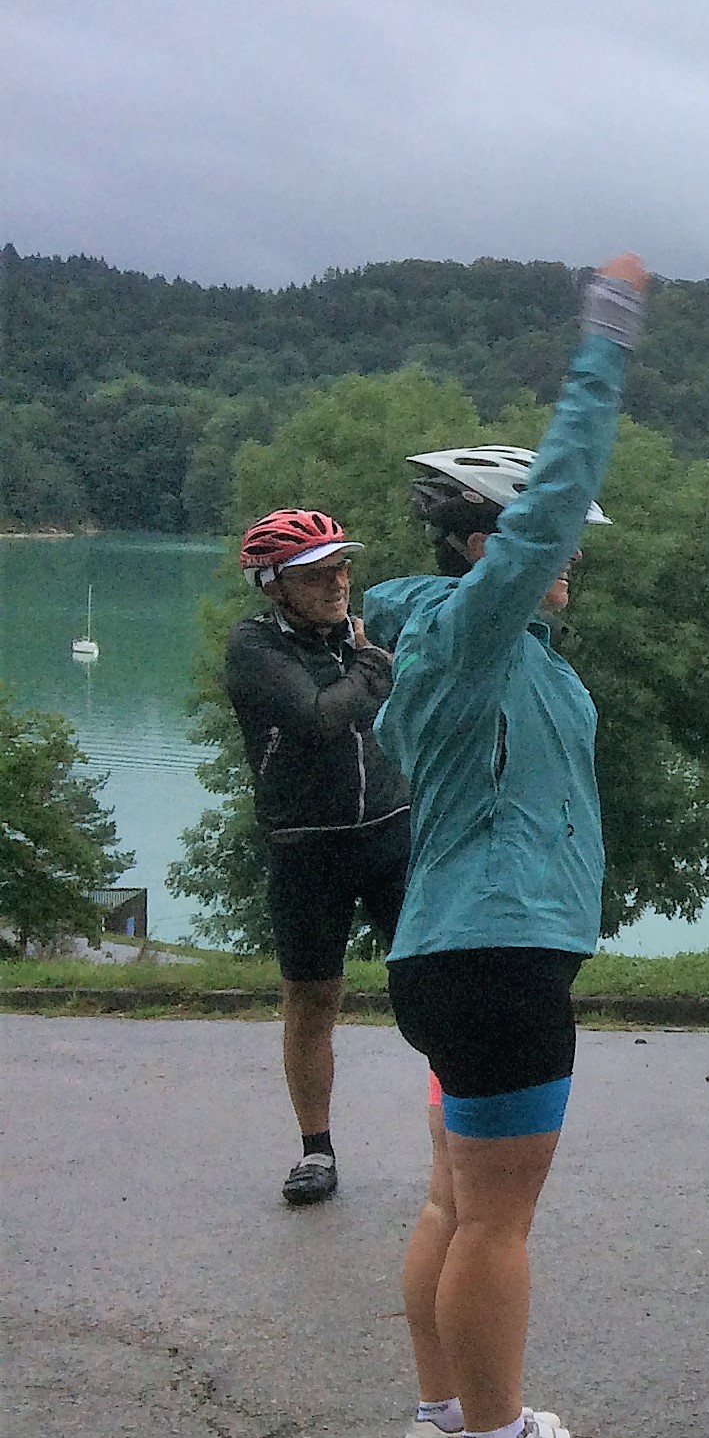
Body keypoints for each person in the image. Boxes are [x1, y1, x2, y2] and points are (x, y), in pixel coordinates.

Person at [365, 255, 650, 1438]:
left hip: (461, 951)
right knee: (496, 1220)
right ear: (492, 549)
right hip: (494, 956)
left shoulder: (493, 653)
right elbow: (550, 508)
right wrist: (608, 345)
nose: (568, 565)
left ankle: (445, 1418)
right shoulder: (470, 636)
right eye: (548, 548)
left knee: (453, 1198)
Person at [222, 507, 412, 1206]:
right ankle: (316, 1150)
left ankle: (463, 1135)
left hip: (391, 829)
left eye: (342, 566)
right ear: (275, 585)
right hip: (308, 847)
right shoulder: (254, 647)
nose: (338, 581)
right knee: (311, 997)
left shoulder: (363, 635)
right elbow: (317, 718)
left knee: (432, 983)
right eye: (317, 573)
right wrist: (373, 664)